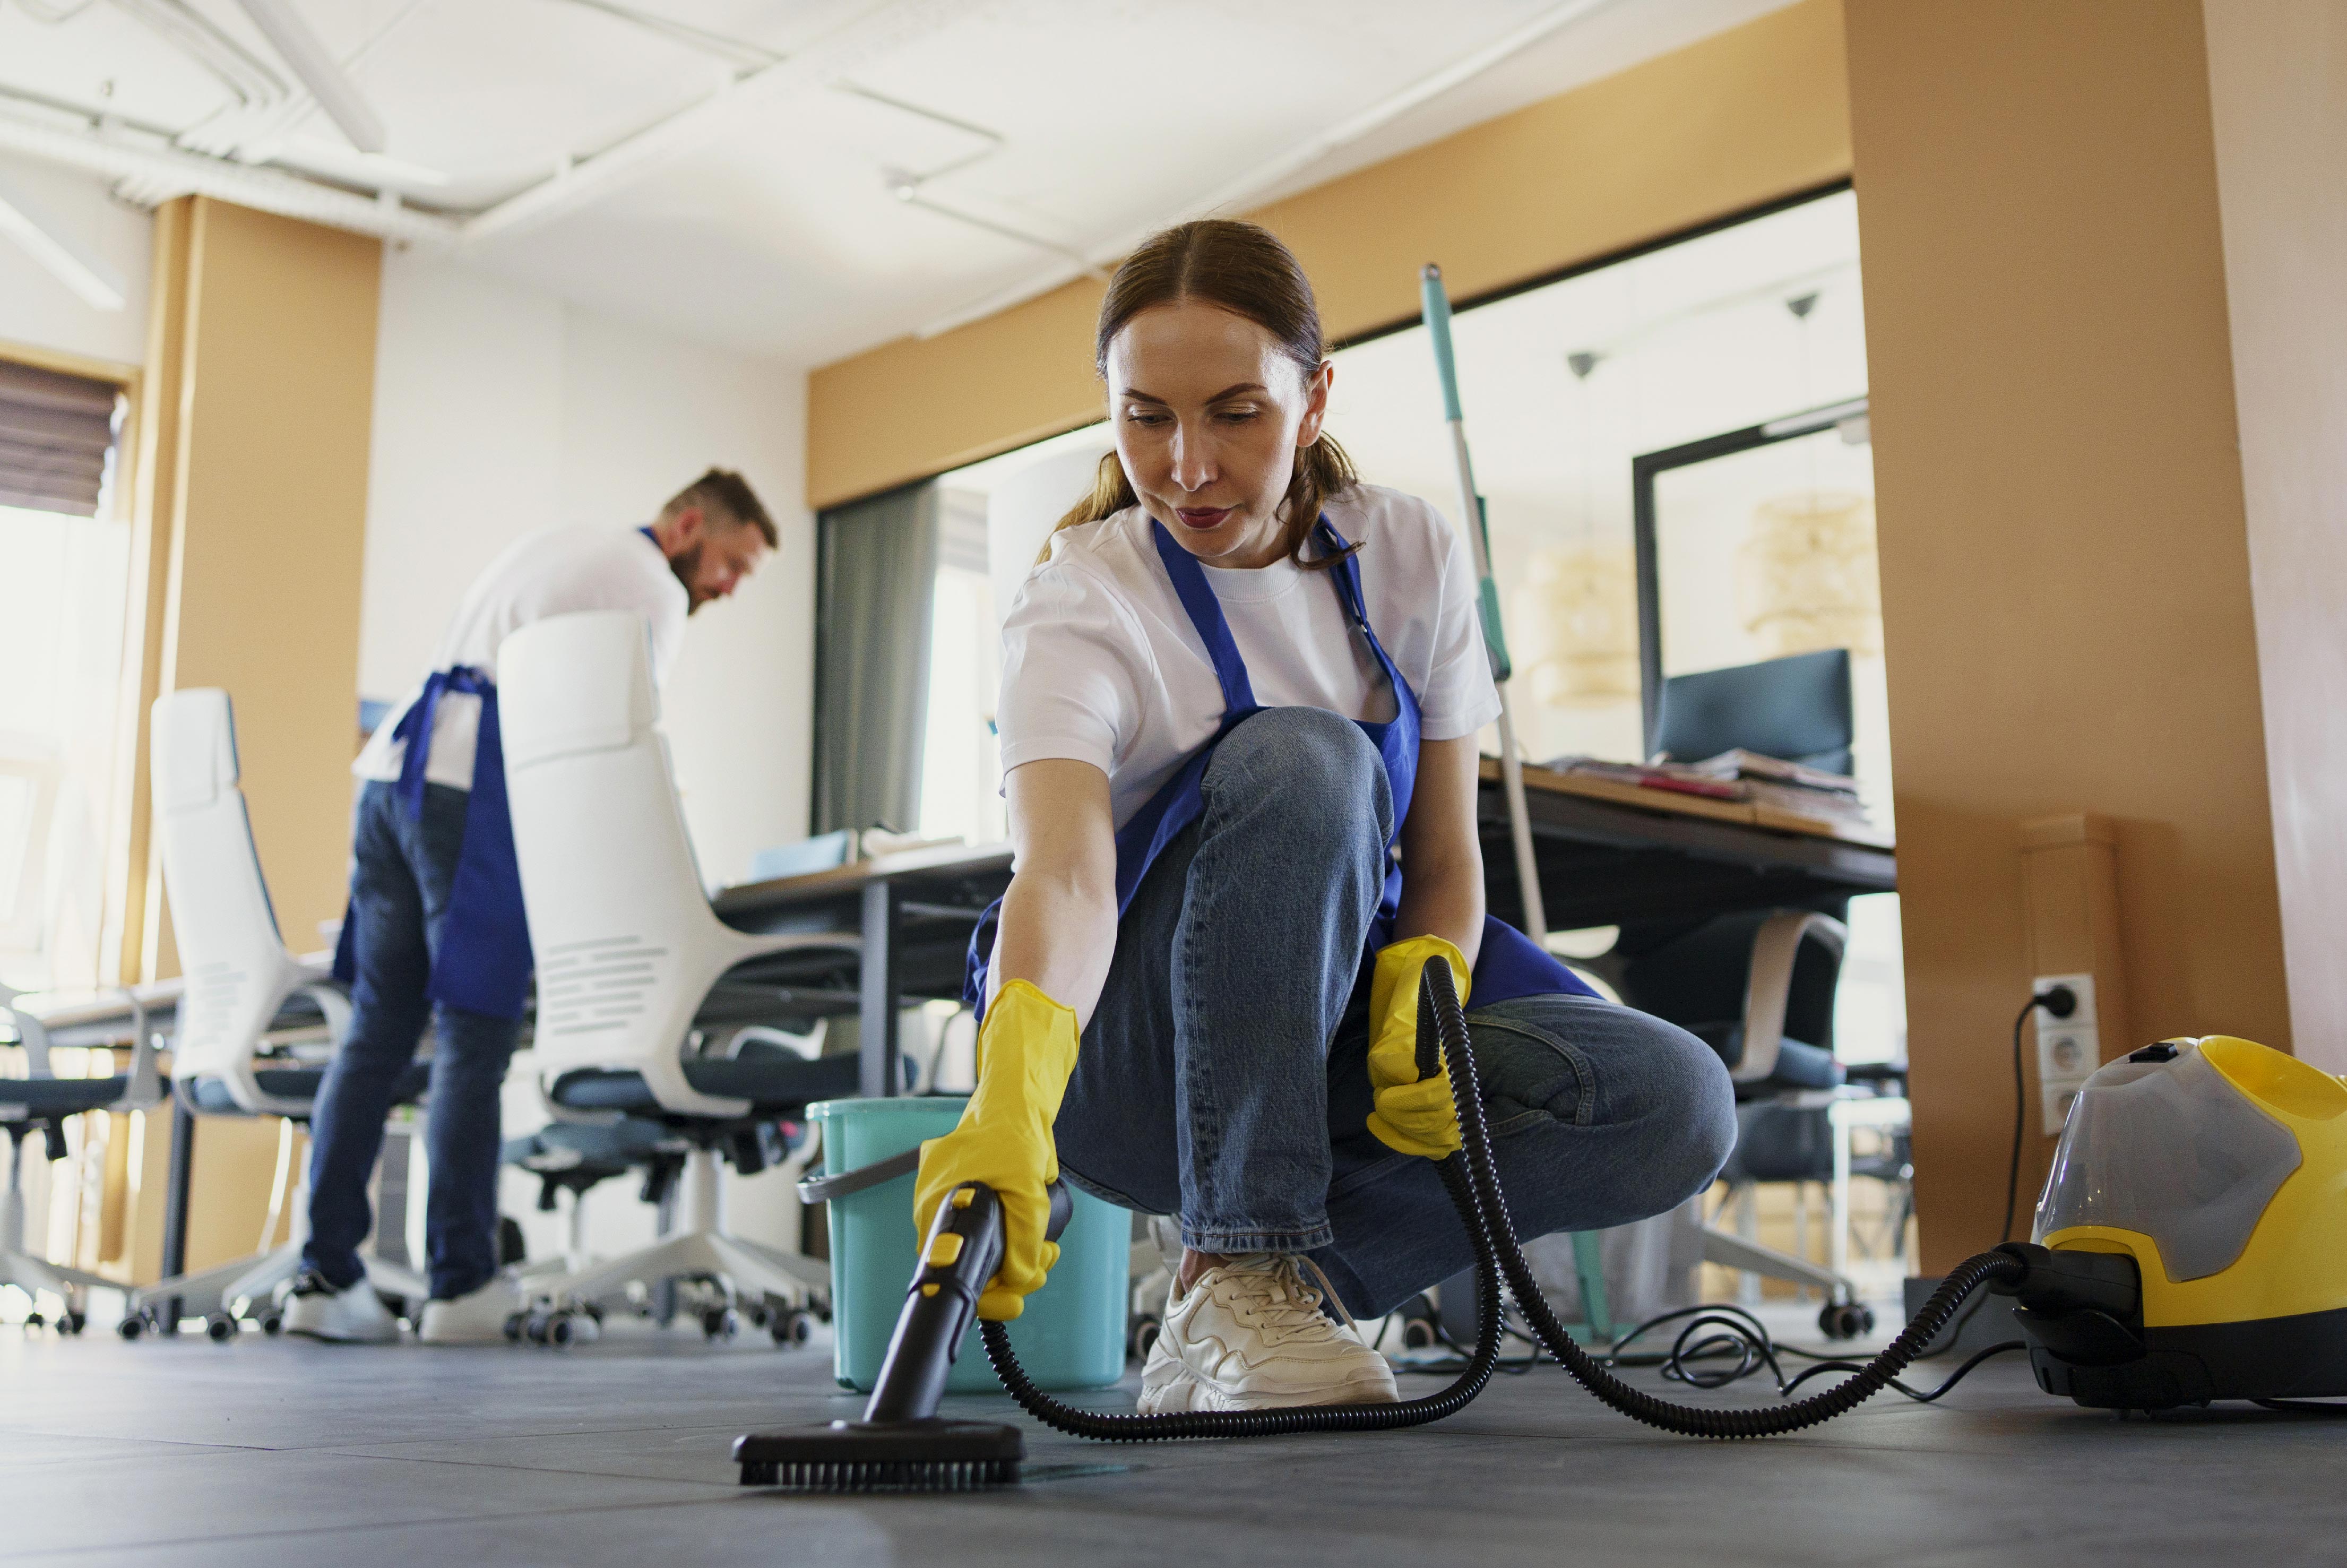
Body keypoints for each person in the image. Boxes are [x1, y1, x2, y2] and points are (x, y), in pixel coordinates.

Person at [921, 222, 1737, 1411]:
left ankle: (1255, 1285)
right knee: (1311, 756)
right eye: (1145, 416)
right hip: (1130, 1061)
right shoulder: (1082, 602)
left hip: (1329, 1034)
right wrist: (1012, 1089)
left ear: (1314, 402)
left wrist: (1435, 974)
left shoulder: (1405, 550)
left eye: (1235, 413)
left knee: (1672, 1103)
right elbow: (1065, 875)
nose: (1188, 464)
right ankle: (1240, 1258)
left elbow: (1450, 859)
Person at [284, 469, 777, 1344]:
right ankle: (462, 1283)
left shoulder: (566, 544)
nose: (728, 588)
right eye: (732, 563)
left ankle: (325, 1279)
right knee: (476, 1032)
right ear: (691, 525)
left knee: (376, 1033)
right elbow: (621, 750)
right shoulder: (650, 587)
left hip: (393, 774)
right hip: (469, 788)